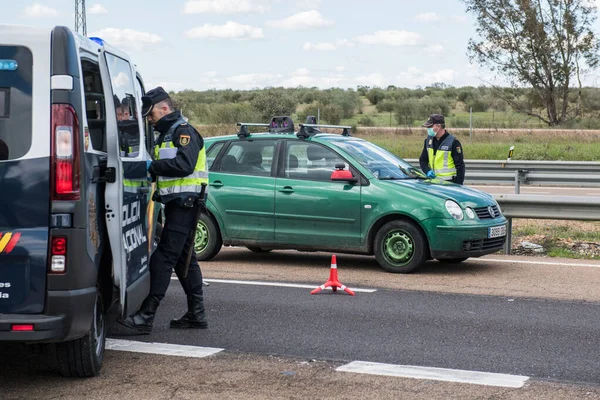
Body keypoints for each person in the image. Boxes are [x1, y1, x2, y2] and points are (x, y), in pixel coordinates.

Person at [118, 87, 209, 334]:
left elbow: (184, 164)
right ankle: (196, 313)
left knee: (163, 258)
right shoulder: (168, 133)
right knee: (184, 260)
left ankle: (146, 316)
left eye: (151, 114)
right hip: (178, 204)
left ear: (165, 108)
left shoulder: (183, 132)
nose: (149, 119)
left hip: (185, 205)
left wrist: (152, 166)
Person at [418, 114, 465, 184]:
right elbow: (423, 160)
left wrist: (459, 185)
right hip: (433, 182)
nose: (428, 129)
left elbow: (460, 166)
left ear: (438, 126)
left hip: (449, 183)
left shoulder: (453, 142)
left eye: (430, 126)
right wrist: (427, 171)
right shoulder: (428, 141)